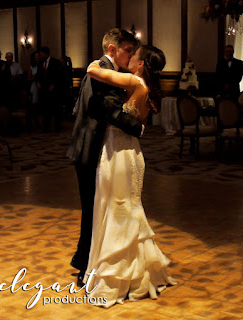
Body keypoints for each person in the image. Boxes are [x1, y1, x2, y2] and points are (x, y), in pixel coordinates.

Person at [83, 45, 177, 308]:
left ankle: (119, 278)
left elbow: (93, 71)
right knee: (125, 209)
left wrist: (98, 60)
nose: (131, 58)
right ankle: (136, 272)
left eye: (134, 55)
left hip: (120, 153)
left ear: (141, 64)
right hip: (128, 152)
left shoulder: (135, 81)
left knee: (117, 209)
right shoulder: (143, 85)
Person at [66, 28, 144, 287]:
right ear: (113, 49)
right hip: (89, 148)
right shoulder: (101, 72)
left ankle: (83, 259)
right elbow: (110, 110)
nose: (129, 56)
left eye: (133, 52)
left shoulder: (105, 70)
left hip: (91, 146)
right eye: (127, 51)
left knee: (95, 208)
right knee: (92, 208)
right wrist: (138, 127)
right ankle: (85, 266)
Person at [36, 46, 62, 133]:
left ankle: (57, 128)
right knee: (45, 110)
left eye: (41, 54)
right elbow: (38, 74)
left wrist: (54, 85)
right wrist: (38, 82)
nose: (40, 55)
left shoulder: (55, 62)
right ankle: (46, 128)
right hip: (43, 89)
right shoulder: (40, 63)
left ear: (46, 54)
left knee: (55, 109)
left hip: (53, 90)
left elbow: (58, 75)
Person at [28, 51, 41, 130]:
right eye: (36, 57)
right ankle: (35, 122)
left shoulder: (42, 65)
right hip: (34, 86)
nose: (37, 58)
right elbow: (29, 78)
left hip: (41, 86)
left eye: (38, 56)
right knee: (34, 104)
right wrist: (35, 78)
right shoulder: (31, 67)